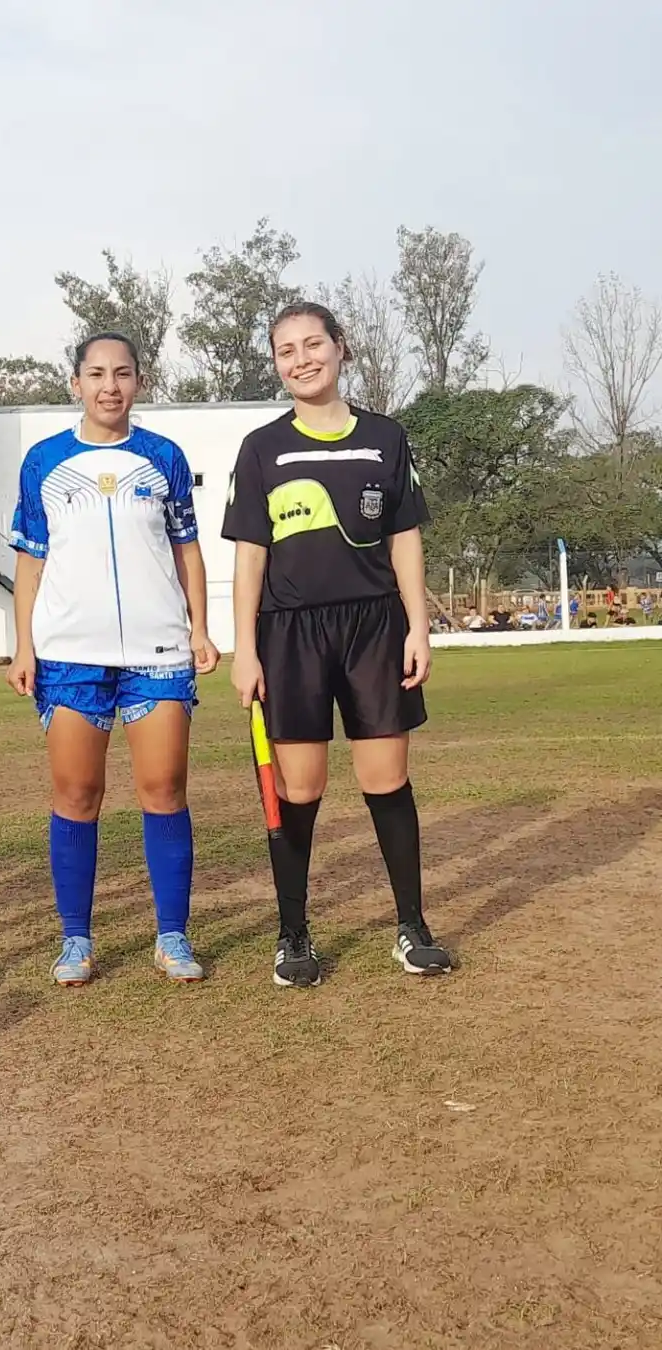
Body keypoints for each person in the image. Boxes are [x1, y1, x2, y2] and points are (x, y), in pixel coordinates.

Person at [223, 301, 452, 988]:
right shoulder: (262, 448)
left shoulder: (385, 438)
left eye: (312, 344)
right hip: (288, 633)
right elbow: (249, 558)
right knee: (301, 786)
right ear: (276, 363)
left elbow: (405, 537)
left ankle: (412, 928)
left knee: (386, 780)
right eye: (286, 350)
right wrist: (246, 648)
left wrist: (418, 624)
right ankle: (293, 936)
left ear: (340, 347)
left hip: (375, 628)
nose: (301, 359)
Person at [6, 332, 218, 987]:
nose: (109, 386)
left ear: (139, 381)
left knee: (164, 790)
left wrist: (201, 630)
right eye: (96, 374)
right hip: (70, 656)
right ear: (75, 383)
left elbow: (186, 549)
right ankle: (76, 940)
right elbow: (29, 560)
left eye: (122, 374)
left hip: (157, 653)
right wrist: (23, 645)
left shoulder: (163, 458)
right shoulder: (44, 462)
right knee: (77, 795)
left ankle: (172, 937)